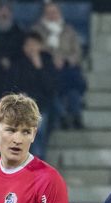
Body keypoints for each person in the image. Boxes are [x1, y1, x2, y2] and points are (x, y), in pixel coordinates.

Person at [30, 1, 86, 130]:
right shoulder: (37, 30)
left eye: (54, 12)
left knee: (73, 84)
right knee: (53, 85)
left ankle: (74, 115)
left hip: (67, 67)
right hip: (46, 68)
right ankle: (62, 115)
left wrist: (66, 60)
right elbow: (35, 47)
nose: (52, 15)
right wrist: (52, 57)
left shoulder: (69, 30)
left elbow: (77, 52)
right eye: (49, 13)